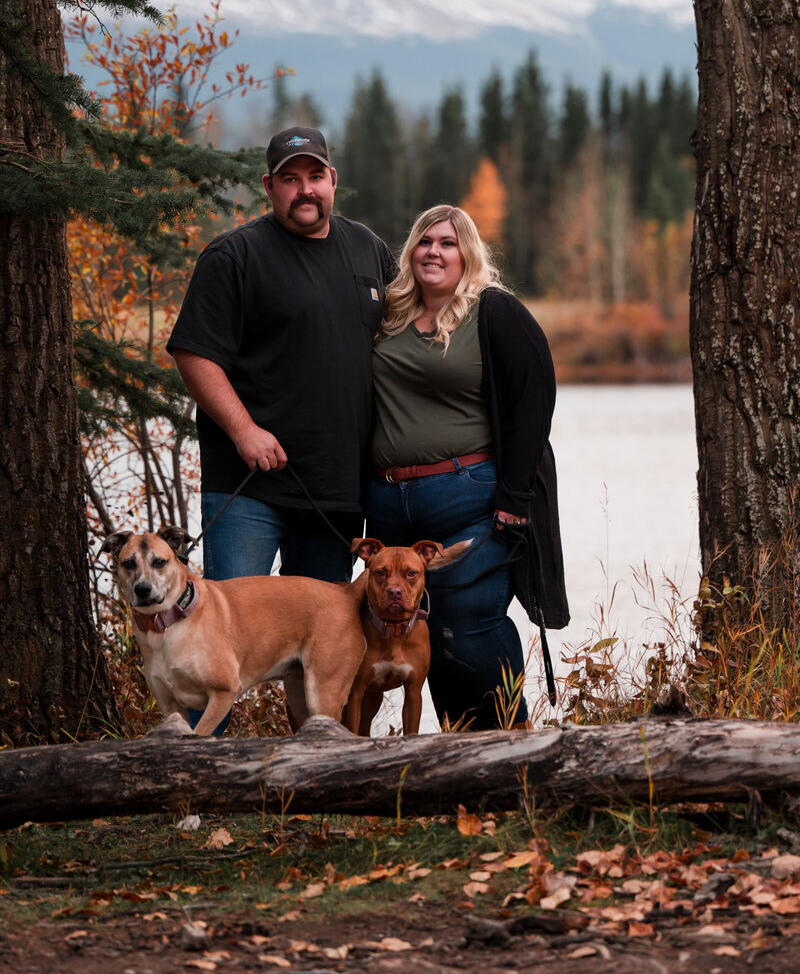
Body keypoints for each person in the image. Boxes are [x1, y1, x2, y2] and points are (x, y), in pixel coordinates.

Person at [364, 205, 568, 731]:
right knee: (420, 632)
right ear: (410, 250)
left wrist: (515, 498)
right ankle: (457, 754)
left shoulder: (492, 311)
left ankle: (510, 747)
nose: (434, 251)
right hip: (390, 508)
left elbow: (534, 397)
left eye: (448, 243)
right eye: (425, 241)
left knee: (470, 625)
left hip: (468, 497)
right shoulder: (388, 314)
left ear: (468, 254)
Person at [167, 125, 396, 585]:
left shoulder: (368, 249)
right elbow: (194, 353)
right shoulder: (235, 257)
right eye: (291, 179)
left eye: (315, 175)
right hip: (249, 486)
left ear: (333, 179)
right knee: (236, 635)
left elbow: (412, 332)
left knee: (319, 648)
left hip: (336, 490)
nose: (305, 189)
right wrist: (244, 431)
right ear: (270, 187)